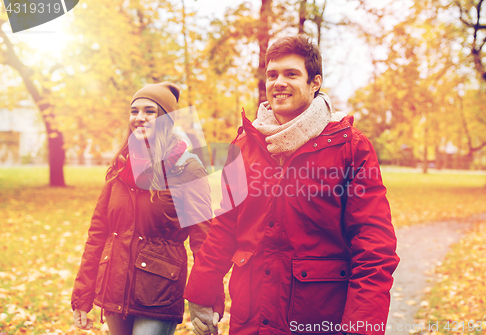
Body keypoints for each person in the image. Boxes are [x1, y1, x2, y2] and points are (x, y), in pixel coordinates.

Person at [184, 35, 400, 335]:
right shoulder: (245, 144)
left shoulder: (350, 147)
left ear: (315, 83)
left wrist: (361, 326)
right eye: (272, 75)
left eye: (291, 74)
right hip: (251, 321)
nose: (279, 82)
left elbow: (374, 245)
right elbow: (225, 226)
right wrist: (202, 293)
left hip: (316, 321)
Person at [71, 81, 214, 335]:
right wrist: (82, 295)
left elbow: (204, 241)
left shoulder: (187, 169)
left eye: (150, 111)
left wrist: (206, 301)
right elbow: (97, 235)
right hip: (115, 288)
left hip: (159, 294)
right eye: (134, 111)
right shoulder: (120, 166)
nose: (139, 118)